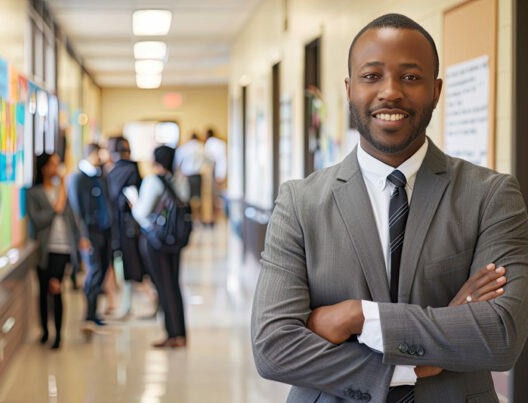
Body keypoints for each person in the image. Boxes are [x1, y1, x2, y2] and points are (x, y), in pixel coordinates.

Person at [251, 13, 528, 403]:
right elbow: (273, 347)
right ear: (349, 89)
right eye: (371, 76)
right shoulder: (300, 202)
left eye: (411, 77)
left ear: (436, 90)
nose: (390, 92)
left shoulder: (491, 195)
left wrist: (356, 316)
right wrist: (408, 366)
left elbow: (501, 335)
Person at [131, 145, 187, 348]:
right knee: (174, 284)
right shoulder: (180, 180)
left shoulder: (152, 181)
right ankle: (180, 333)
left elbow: (141, 213)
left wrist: (134, 204)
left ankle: (172, 334)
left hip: (156, 240)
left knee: (163, 286)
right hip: (175, 239)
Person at [26, 153, 80, 350]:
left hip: (63, 248)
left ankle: (58, 334)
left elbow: (71, 218)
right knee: (43, 290)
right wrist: (55, 208)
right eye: (53, 165)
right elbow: (37, 220)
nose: (57, 169)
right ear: (43, 168)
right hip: (44, 249)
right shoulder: (34, 193)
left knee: (56, 287)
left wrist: (80, 241)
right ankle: (45, 330)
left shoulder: (63, 190)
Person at [67, 143, 114, 337]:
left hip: (105, 231)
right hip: (91, 233)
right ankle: (88, 315)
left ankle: (94, 314)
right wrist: (83, 236)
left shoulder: (100, 176)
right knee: (93, 272)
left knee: (102, 270)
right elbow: (78, 211)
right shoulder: (78, 178)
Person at [106, 137, 146, 316]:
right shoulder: (132, 170)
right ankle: (124, 304)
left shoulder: (113, 172)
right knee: (129, 265)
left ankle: (126, 304)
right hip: (128, 226)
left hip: (119, 226)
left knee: (126, 265)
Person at [174, 133, 205, 220]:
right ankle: (198, 216)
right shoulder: (201, 147)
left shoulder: (185, 147)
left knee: (187, 197)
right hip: (198, 175)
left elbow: (178, 162)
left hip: (186, 176)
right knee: (198, 197)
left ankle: (189, 216)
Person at [203, 128, 227, 226]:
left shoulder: (210, 143)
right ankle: (214, 217)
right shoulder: (220, 143)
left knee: (212, 197)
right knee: (216, 196)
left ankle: (212, 217)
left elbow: (212, 160)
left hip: (213, 173)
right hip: (218, 173)